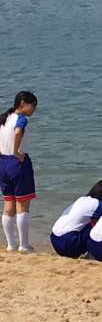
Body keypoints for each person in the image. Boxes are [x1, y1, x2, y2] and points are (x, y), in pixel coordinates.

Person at [0, 91, 38, 252]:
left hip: (3, 162)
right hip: (17, 163)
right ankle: (24, 245)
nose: (34, 109)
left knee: (8, 204)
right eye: (33, 105)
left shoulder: (4, 118)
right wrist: (16, 151)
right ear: (22, 103)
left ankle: (11, 244)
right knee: (23, 204)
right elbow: (17, 132)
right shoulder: (21, 119)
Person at [50, 180, 102, 258]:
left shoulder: (81, 199)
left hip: (54, 239)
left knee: (91, 222)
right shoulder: (99, 205)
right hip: (68, 244)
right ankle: (94, 254)